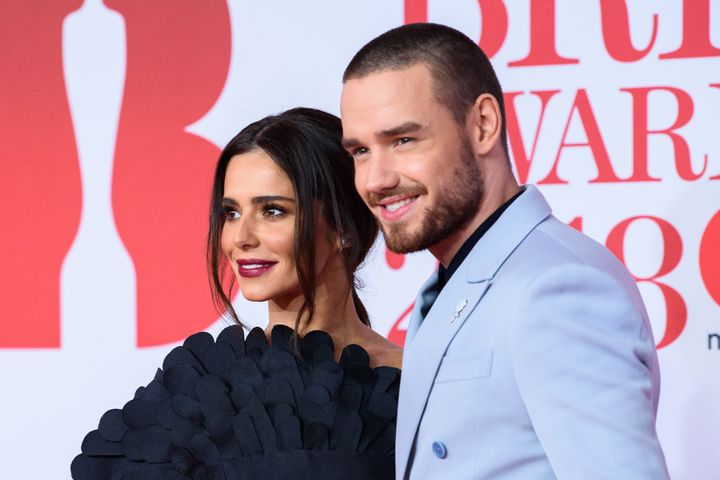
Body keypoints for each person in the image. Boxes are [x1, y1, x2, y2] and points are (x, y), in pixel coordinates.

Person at [340, 23, 669, 479]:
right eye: (359, 150)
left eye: (403, 140)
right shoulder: (454, 283)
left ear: (483, 125)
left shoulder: (557, 289)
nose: (375, 179)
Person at [72, 108, 402, 479]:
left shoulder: (413, 383)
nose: (240, 238)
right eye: (230, 213)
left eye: (272, 211)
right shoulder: (200, 391)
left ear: (343, 226)